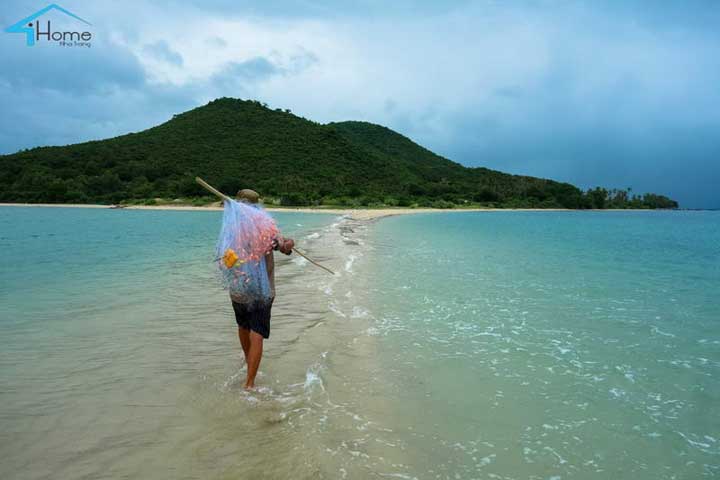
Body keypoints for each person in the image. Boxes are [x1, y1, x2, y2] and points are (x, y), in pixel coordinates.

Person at [232, 188, 294, 389]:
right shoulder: (266, 227)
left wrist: (286, 245)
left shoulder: (233, 226)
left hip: (238, 288)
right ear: (257, 206)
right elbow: (283, 247)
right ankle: (249, 384)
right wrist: (289, 244)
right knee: (256, 331)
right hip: (261, 291)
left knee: (243, 326)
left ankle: (248, 363)